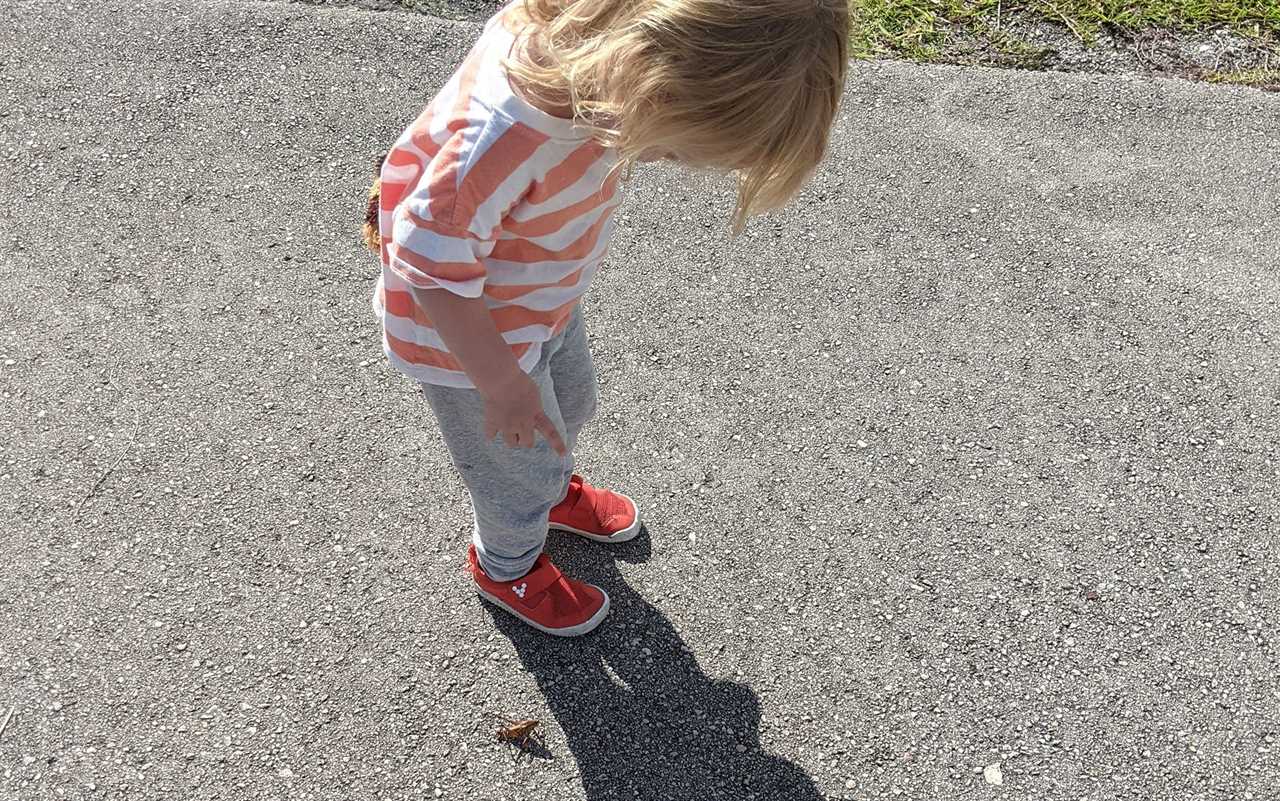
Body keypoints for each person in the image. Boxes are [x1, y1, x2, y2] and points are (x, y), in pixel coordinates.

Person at [368, 0, 848, 636]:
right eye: (673, 150)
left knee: (570, 403)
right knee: (510, 468)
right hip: (465, 342)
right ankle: (506, 562)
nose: (664, 163)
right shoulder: (506, 135)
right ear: (644, 70)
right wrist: (502, 385)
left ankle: (551, 488)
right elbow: (424, 260)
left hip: (536, 301)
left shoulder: (584, 59)